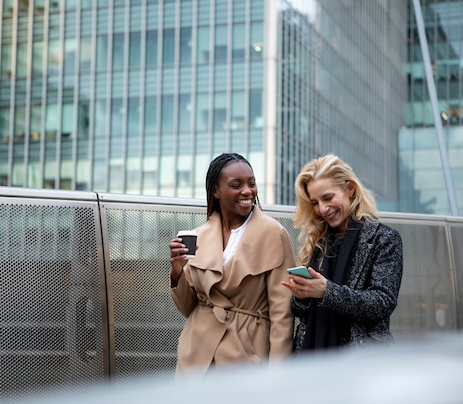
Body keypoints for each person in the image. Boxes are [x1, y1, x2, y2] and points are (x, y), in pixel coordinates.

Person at [169, 153, 295, 376]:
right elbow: (188, 308)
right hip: (197, 355)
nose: (247, 191)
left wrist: (279, 375)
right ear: (216, 191)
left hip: (247, 355)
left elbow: (282, 313)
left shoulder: (273, 234)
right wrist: (177, 271)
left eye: (252, 184)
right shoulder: (200, 235)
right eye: (236, 185)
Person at [281, 154, 403, 352]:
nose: (322, 208)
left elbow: (382, 303)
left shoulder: (384, 239)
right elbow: (300, 312)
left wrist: (326, 291)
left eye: (328, 198)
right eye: (315, 202)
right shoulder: (317, 241)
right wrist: (302, 296)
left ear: (350, 189)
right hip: (311, 358)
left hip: (361, 363)